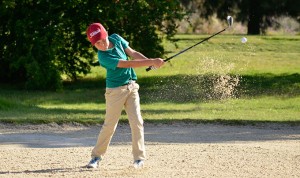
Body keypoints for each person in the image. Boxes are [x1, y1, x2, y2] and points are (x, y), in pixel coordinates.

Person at [85, 22, 165, 169]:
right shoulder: (103, 57)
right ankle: (96, 157)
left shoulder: (116, 39)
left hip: (131, 87)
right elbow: (127, 64)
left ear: (107, 34)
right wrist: (152, 61)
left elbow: (133, 54)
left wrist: (149, 62)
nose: (102, 44)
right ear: (93, 44)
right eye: (97, 43)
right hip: (115, 92)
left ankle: (139, 159)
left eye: (103, 40)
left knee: (137, 122)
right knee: (110, 126)